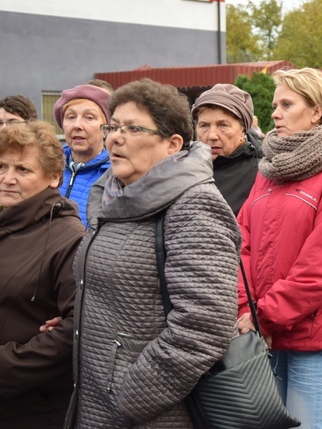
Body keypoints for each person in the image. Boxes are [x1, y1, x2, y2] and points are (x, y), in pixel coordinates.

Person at [67, 79, 241, 428]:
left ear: (172, 144)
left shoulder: (195, 207)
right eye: (113, 126)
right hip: (98, 399)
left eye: (132, 128)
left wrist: (130, 395)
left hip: (150, 412)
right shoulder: (115, 198)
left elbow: (204, 326)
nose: (115, 137)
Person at [236, 68, 322, 429]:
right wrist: (246, 307)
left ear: (317, 112)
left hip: (315, 333)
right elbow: (242, 242)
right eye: (275, 104)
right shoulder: (269, 168)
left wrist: (265, 313)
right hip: (262, 329)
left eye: (286, 104)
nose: (275, 112)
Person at [0, 121, 85, 428]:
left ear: (53, 177)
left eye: (22, 170)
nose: (7, 179)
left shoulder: (69, 238)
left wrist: (3, 368)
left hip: (33, 406)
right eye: (1, 166)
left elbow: (79, 326)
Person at [192, 83, 262, 215]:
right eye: (204, 126)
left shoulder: (261, 175)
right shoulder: (183, 169)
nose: (212, 135)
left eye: (223, 125)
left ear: (243, 130)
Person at [53, 84, 111, 228]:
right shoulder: (47, 167)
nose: (77, 125)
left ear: (106, 129)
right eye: (70, 117)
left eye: (89, 117)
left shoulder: (115, 175)